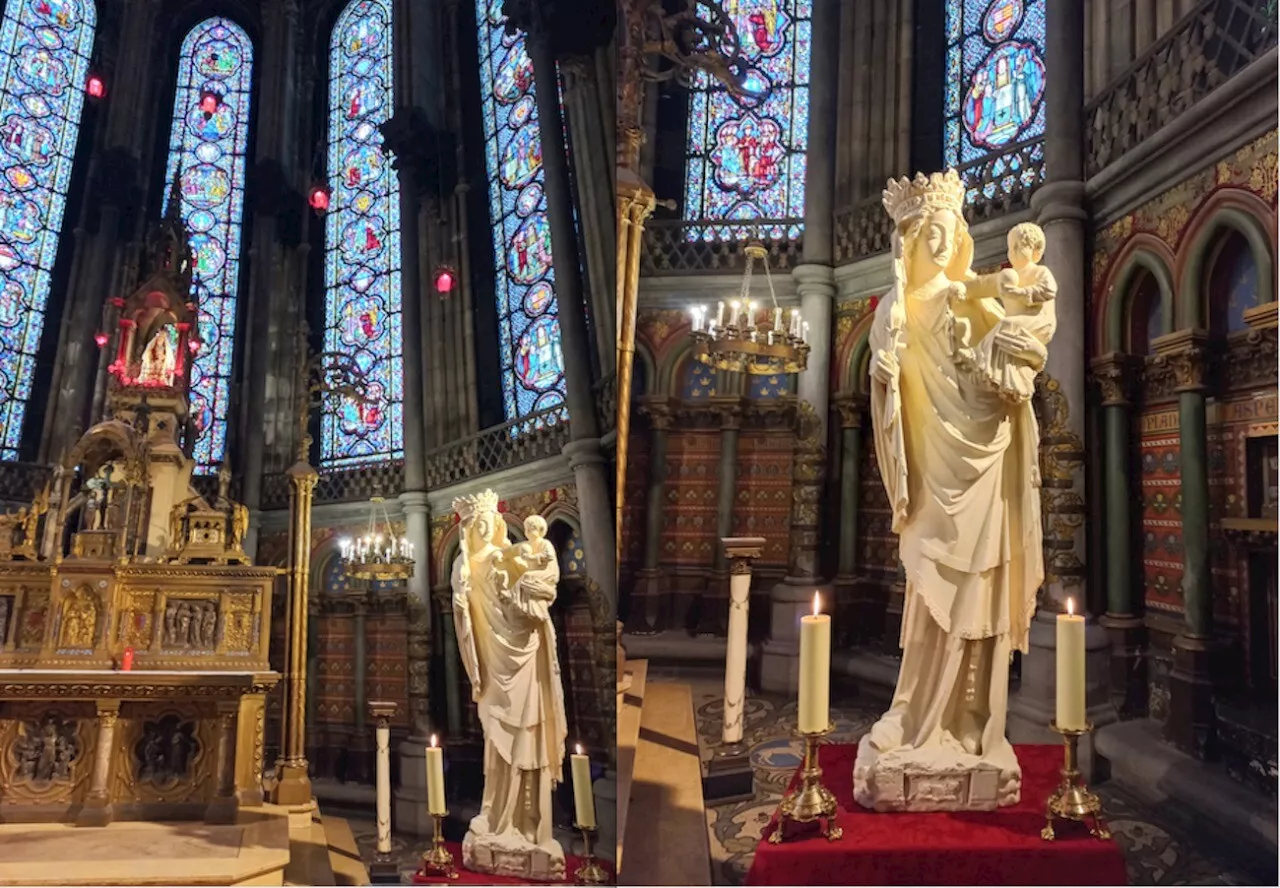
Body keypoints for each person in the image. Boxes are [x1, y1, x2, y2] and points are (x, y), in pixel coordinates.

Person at [855, 169, 1046, 812]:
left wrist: (1003, 359)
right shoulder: (892, 307)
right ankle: (914, 718)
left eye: (947, 231)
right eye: (927, 232)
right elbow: (885, 385)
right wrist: (882, 377)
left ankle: (970, 727)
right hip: (934, 468)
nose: (939, 242)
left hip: (983, 464)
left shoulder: (974, 297)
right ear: (907, 242)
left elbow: (1013, 373)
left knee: (978, 594)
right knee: (931, 589)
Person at [451, 491, 568, 879]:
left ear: (496, 523)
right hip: (493, 657)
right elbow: (463, 618)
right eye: (476, 524)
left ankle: (530, 823)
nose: (482, 529)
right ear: (468, 529)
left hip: (523, 650)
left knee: (529, 733)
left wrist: (524, 594)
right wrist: (461, 596)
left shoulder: (512, 554)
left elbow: (542, 593)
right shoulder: (464, 565)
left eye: (487, 522)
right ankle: (497, 815)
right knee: (496, 732)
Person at [955, 221, 1058, 404]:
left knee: (1004, 325)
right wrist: (963, 288)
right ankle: (1000, 376)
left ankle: (980, 360)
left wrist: (1020, 293)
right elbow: (983, 285)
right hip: (1016, 326)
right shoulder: (1007, 276)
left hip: (1040, 322)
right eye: (1011, 247)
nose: (1014, 252)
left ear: (1036, 250)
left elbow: (1048, 290)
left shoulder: (1039, 272)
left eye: (1020, 246)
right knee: (1004, 338)